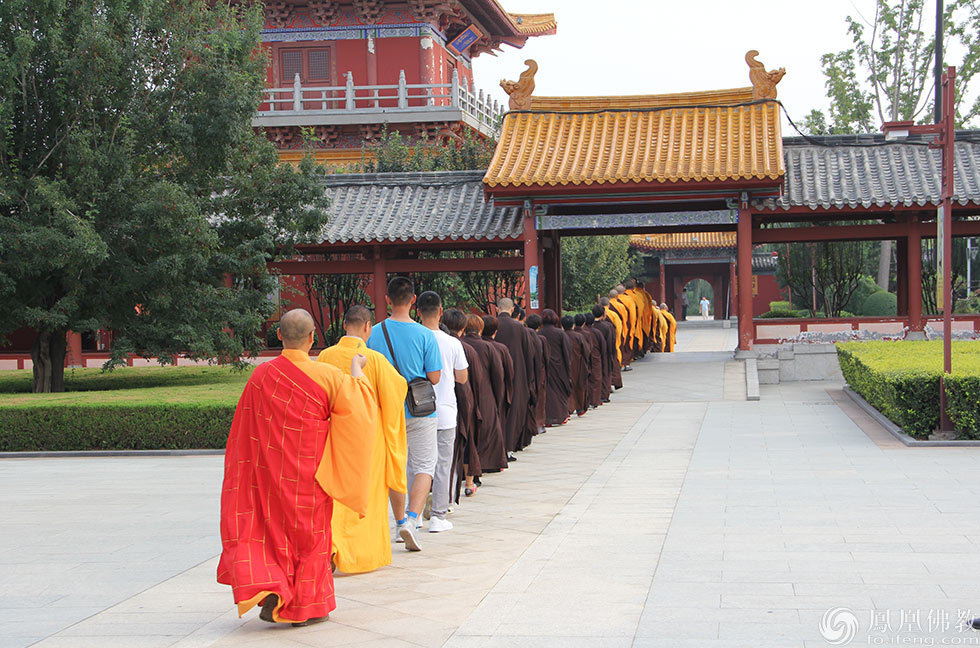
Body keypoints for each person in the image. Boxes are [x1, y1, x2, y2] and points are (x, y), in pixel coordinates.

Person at [217, 308, 376, 627]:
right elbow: (359, 415)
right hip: (311, 475)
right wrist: (357, 370)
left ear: (278, 335)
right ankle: (309, 606)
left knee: (271, 535)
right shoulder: (328, 376)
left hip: (269, 477)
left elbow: (243, 433)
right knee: (311, 538)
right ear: (312, 338)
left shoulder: (260, 376)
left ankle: (276, 591)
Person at [316, 305, 407, 574]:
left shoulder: (325, 356)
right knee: (367, 497)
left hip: (335, 438)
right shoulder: (374, 360)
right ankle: (360, 555)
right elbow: (396, 392)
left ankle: (331, 547)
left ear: (345, 326)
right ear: (368, 327)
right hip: (370, 442)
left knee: (335, 496)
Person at [366, 277, 442, 552]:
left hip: (386, 409)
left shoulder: (373, 333)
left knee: (394, 467)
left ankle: (398, 523)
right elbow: (434, 376)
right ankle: (412, 519)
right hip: (419, 410)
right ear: (413, 300)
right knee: (424, 465)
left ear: (387, 300)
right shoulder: (425, 335)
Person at [416, 292, 468, 533]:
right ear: (440, 312)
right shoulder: (452, 342)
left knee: (415, 464)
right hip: (445, 410)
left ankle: (413, 515)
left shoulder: (413, 338)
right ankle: (438, 515)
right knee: (443, 464)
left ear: (417, 312)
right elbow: (462, 377)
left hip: (415, 410)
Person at [460, 314, 508, 475]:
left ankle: (467, 467)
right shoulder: (489, 348)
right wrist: (499, 395)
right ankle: (488, 462)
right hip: (486, 393)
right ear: (480, 328)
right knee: (488, 429)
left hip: (464, 392)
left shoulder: (461, 345)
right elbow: (498, 375)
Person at [442, 308, 480, 501]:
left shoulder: (434, 342)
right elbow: (470, 380)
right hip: (462, 401)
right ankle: (468, 482)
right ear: (463, 327)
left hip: (438, 404)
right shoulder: (464, 348)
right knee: (464, 442)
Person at [494, 298, 534, 454]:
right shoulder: (519, 327)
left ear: (498, 309)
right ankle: (509, 446)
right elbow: (528, 353)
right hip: (517, 373)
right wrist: (529, 378)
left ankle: (498, 445)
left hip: (496, 372)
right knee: (514, 408)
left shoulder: (492, 324)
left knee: (498, 408)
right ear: (512, 310)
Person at [482, 315, 515, 460]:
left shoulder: (468, 346)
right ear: (495, 332)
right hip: (495, 393)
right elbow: (508, 373)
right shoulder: (500, 349)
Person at [538, 309, 573, 426]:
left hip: (545, 365)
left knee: (547, 392)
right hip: (559, 366)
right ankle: (560, 416)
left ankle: (547, 418)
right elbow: (567, 351)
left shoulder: (539, 333)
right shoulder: (560, 333)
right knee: (559, 391)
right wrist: (568, 366)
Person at [525, 313, 550, 434]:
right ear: (539, 326)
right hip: (540, 372)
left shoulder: (524, 336)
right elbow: (546, 358)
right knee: (540, 398)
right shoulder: (541, 339)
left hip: (526, 372)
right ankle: (539, 423)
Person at [562, 315, 588, 417]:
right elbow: (586, 351)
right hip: (578, 364)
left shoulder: (562, 335)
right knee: (578, 386)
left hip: (564, 364)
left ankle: (568, 408)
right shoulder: (578, 336)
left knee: (566, 386)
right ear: (573, 325)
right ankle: (579, 408)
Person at [592, 305, 620, 396]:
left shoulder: (589, 326)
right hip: (606, 353)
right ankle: (604, 394)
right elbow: (611, 340)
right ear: (604, 314)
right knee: (605, 372)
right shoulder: (607, 326)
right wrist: (612, 353)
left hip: (593, 353)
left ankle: (596, 394)